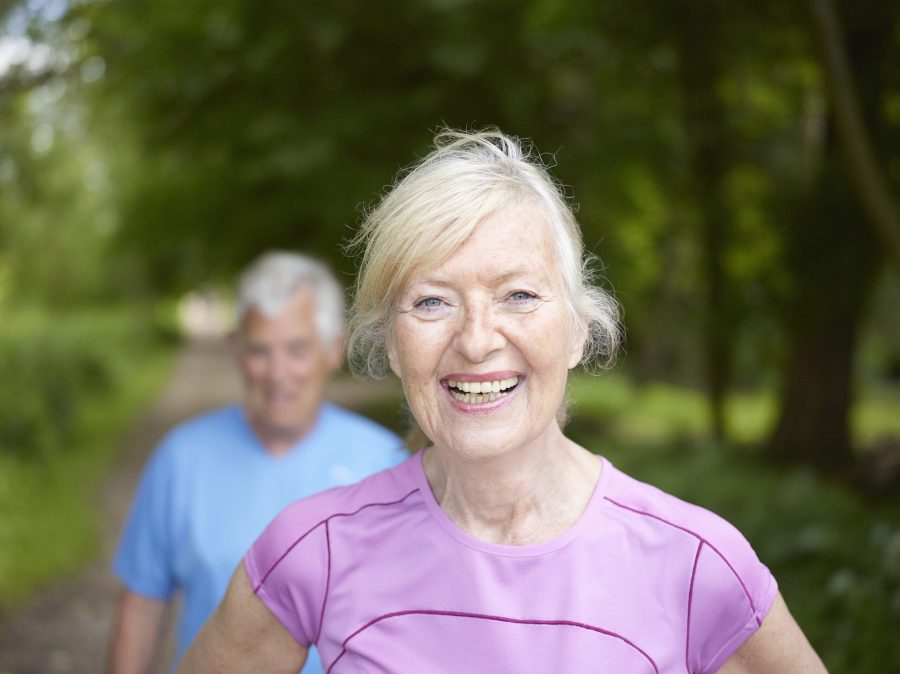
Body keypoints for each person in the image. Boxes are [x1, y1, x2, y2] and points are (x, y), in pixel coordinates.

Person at [178, 130, 827, 673]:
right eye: (432, 302)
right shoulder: (312, 549)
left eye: (518, 295)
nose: (477, 340)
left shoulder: (696, 564)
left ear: (577, 331)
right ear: (393, 346)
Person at [108, 252, 407, 674]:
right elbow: (141, 607)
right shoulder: (180, 459)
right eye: (260, 350)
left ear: (332, 349)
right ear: (235, 348)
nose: (277, 372)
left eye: (297, 349)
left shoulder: (388, 462)